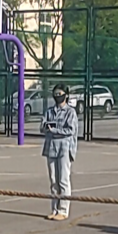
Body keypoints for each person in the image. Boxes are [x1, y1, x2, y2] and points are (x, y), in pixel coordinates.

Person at [41, 83, 79, 221]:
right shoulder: (49, 111)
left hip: (64, 147)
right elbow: (42, 127)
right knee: (53, 180)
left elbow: (70, 130)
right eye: (55, 94)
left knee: (63, 180)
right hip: (51, 147)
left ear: (66, 96)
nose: (57, 96)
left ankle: (63, 210)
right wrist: (47, 128)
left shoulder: (70, 112)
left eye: (60, 94)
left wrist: (55, 130)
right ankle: (54, 209)